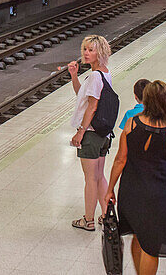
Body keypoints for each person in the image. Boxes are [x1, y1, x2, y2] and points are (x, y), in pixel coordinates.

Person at [105, 80, 166, 274]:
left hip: (131, 191)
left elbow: (119, 160)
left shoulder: (132, 124)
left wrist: (110, 189)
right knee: (152, 246)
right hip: (159, 198)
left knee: (138, 236)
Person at [68, 34, 113, 232]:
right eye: (85, 49)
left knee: (90, 179)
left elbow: (92, 107)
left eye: (91, 50)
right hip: (103, 134)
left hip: (92, 134)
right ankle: (105, 215)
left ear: (100, 52)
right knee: (99, 176)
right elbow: (82, 97)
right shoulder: (103, 73)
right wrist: (74, 76)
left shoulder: (95, 76)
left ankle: (88, 220)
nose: (86, 53)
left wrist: (81, 131)